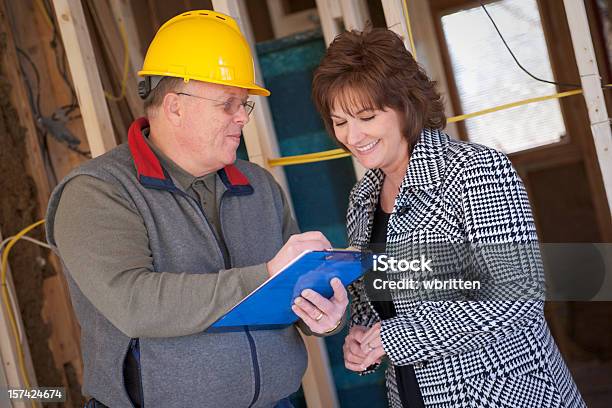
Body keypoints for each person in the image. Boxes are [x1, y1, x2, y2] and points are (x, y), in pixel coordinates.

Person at [45, 10, 347, 408]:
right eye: (228, 104)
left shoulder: (257, 185)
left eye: (244, 105)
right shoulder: (98, 192)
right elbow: (134, 304)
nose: (242, 117)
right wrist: (263, 277)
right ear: (174, 107)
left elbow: (290, 291)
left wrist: (323, 315)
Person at [312, 28, 586, 407]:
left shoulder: (475, 170)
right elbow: (374, 307)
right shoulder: (362, 199)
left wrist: (392, 338)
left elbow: (517, 296)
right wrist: (359, 341)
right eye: (340, 122)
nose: (353, 136)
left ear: (405, 106)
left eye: (366, 116)